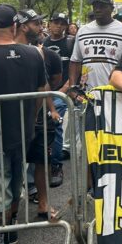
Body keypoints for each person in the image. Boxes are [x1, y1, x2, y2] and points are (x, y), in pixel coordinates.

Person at [0, 4, 47, 244]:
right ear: (14, 26)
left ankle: (4, 235)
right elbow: (41, 91)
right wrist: (32, 119)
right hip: (23, 132)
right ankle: (10, 231)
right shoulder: (33, 54)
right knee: (15, 184)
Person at [15, 9, 62, 220]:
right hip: (11, 116)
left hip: (38, 117)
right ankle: (11, 212)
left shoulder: (40, 52)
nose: (40, 27)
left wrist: (48, 109)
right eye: (36, 23)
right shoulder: (5, 50)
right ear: (23, 25)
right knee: (12, 164)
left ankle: (43, 204)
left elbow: (45, 85)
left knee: (41, 160)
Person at [69, 0, 122, 92]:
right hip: (87, 94)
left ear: (112, 9)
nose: (98, 9)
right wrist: (72, 88)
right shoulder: (83, 31)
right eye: (95, 6)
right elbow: (75, 61)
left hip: (115, 93)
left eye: (102, 6)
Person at [42, 13, 73, 187]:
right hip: (42, 91)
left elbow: (78, 67)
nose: (59, 26)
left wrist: (63, 90)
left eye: (63, 24)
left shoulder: (70, 43)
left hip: (61, 93)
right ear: (50, 24)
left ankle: (55, 165)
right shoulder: (43, 43)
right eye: (56, 23)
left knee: (55, 125)